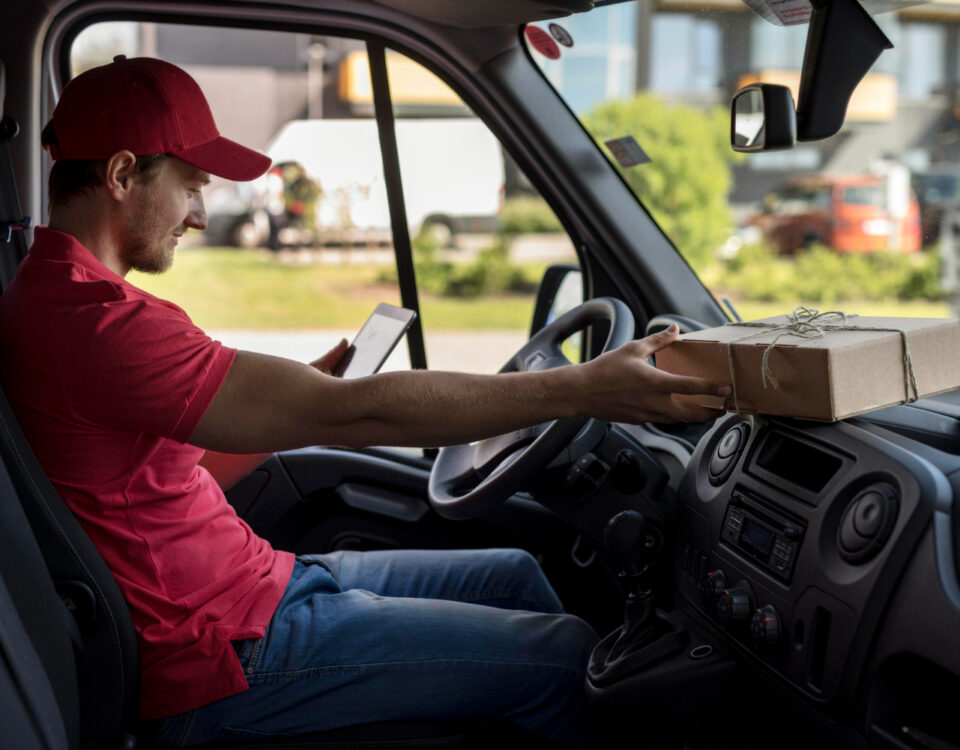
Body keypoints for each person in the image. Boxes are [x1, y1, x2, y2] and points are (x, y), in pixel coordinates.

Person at [0, 56, 731, 748]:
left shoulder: (55, 297)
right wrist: (586, 386)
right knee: (567, 655)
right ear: (125, 173)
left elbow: (148, 479)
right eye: (191, 185)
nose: (197, 214)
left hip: (254, 587)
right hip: (220, 655)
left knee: (513, 571)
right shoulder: (99, 324)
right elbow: (359, 414)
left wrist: (296, 404)